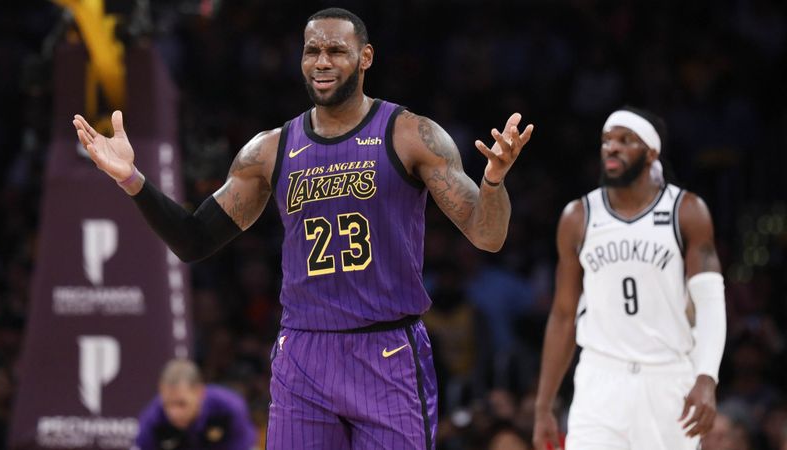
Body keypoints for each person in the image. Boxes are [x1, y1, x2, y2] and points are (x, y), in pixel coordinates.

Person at [72, 7, 534, 449]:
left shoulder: (410, 134)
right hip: (304, 354)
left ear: (365, 57)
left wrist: (492, 181)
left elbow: (486, 236)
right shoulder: (270, 149)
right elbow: (194, 240)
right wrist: (132, 180)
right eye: (312, 51)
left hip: (386, 349)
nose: (322, 62)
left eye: (336, 51)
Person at [532, 107, 726, 450]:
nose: (613, 148)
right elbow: (563, 315)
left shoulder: (687, 211)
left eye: (626, 140)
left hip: (667, 377)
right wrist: (543, 405)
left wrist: (706, 376)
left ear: (651, 152)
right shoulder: (578, 216)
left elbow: (710, 303)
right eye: (607, 140)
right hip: (600, 378)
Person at [134, 358, 257, 450]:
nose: (174, 413)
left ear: (199, 392)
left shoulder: (229, 409)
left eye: (181, 404)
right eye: (167, 404)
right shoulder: (153, 419)